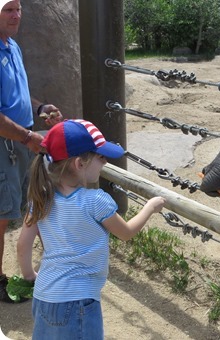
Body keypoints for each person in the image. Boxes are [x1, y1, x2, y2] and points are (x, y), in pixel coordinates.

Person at [17, 119, 166, 340]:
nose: (105, 162)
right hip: (78, 301)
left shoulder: (40, 198)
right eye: (101, 156)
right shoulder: (95, 201)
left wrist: (29, 274)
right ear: (80, 163)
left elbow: (22, 244)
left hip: (44, 297)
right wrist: (150, 208)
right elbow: (125, 233)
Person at [0, 0, 63, 302]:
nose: (15, 15)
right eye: (7, 10)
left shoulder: (13, 46)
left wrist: (40, 107)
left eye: (18, 9)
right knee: (1, 215)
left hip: (21, 140)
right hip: (5, 144)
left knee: (32, 205)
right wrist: (27, 137)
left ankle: (36, 268)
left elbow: (19, 95)